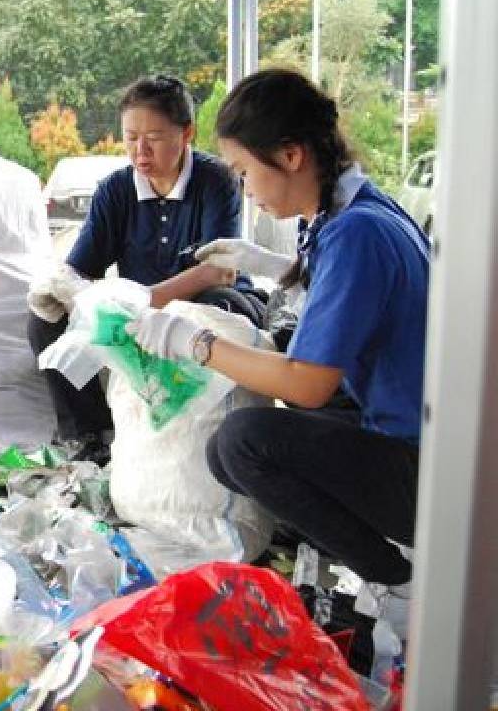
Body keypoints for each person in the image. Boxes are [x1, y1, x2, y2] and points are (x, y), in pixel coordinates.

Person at [128, 68, 428, 609]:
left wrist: (194, 342)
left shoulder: (355, 232)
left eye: (244, 171)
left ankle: (399, 582)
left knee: (243, 442)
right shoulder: (358, 209)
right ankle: (352, 546)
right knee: (247, 439)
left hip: (428, 466)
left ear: (290, 156)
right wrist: (270, 264)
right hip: (420, 430)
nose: (244, 188)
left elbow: (307, 385)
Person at [27, 74, 258, 451]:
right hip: (138, 310)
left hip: (211, 299)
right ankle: (91, 435)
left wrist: (144, 300)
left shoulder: (215, 181)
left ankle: (204, 441)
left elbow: (220, 270)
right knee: (46, 319)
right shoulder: (115, 191)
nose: (140, 151)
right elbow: (81, 270)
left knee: (215, 310)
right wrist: (67, 291)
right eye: (131, 138)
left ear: (187, 134)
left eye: (153, 138)